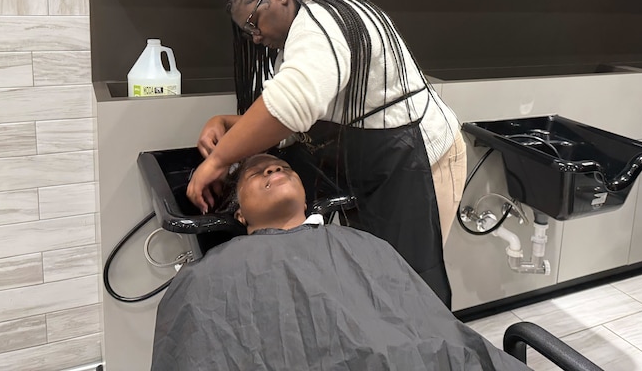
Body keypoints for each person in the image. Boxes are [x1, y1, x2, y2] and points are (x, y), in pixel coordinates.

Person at [186, 0, 467, 305]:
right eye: (248, 33)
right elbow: (297, 116)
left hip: (423, 161)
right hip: (378, 165)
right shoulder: (296, 42)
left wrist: (217, 161)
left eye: (253, 23)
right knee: (379, 289)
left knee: (408, 292)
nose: (256, 38)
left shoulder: (321, 24)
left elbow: (294, 104)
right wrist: (228, 124)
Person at [152, 154, 529, 371]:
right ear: (240, 216)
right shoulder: (205, 279)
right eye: (257, 174)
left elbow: (437, 337)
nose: (273, 171)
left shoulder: (363, 245)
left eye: (282, 168)